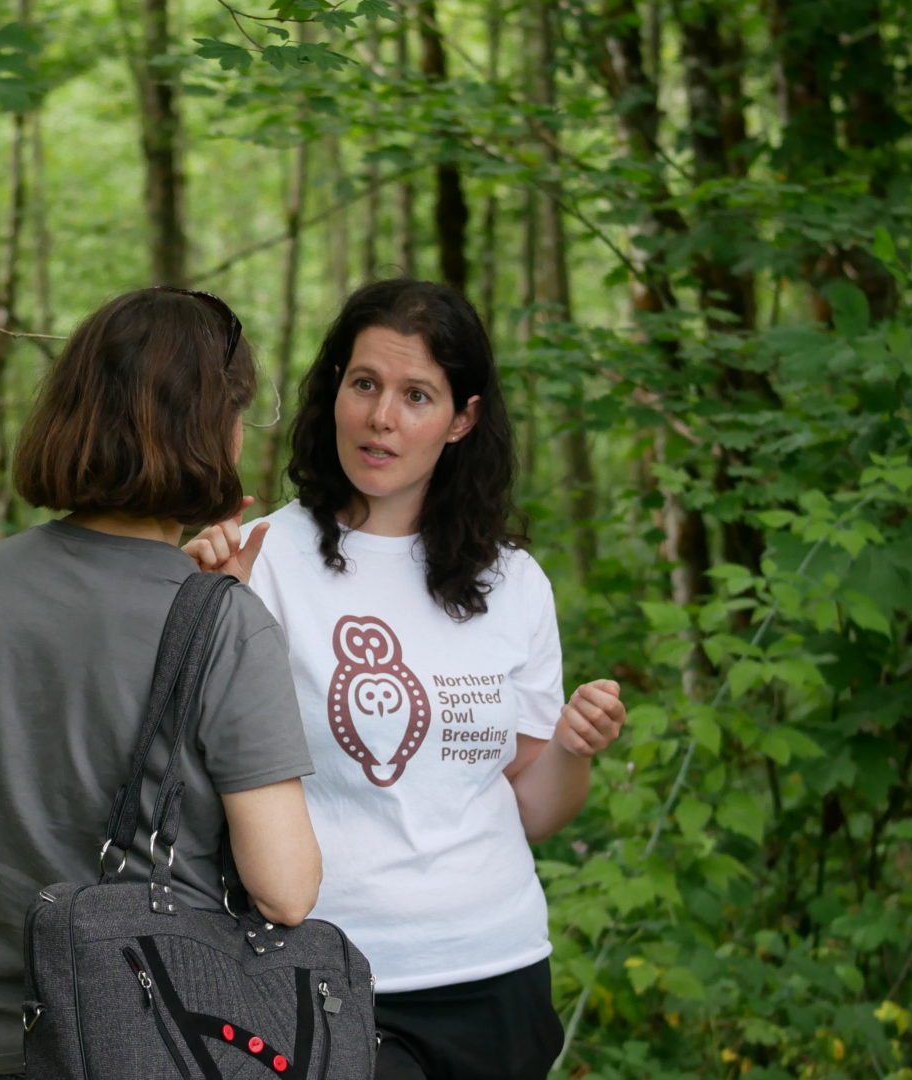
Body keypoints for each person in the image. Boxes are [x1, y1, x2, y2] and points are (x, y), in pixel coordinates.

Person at [185, 279, 626, 1080]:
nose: (381, 418)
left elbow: (534, 808)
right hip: (320, 975)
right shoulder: (257, 561)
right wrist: (195, 608)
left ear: (463, 419)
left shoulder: (514, 583)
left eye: (416, 394)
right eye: (365, 385)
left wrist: (573, 746)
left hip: (498, 970)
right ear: (334, 393)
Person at [0, 286, 323, 1080]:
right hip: (181, 1042)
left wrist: (60, 963)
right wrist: (218, 611)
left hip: (16, 1038)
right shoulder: (225, 625)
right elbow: (286, 889)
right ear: (214, 429)